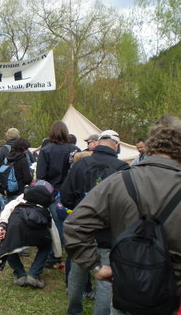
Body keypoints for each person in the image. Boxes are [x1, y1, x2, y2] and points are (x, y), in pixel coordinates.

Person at [64, 115, 181, 315]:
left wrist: (98, 267)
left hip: (127, 286)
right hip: (171, 293)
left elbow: (74, 224)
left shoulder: (120, 180)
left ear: (151, 145)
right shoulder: (120, 175)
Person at [61, 130, 129, 315]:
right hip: (109, 233)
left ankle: (74, 311)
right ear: (116, 145)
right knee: (106, 280)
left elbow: (66, 196)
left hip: (82, 231)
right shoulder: (123, 168)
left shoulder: (82, 163)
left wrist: (79, 210)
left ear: (98, 143)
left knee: (77, 274)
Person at [0, 180, 54, 288]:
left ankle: (20, 275)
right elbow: (52, 229)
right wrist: (58, 254)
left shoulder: (22, 197)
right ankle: (34, 275)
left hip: (16, 224)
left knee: (7, 246)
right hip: (38, 227)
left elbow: (8, 208)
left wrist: (2, 225)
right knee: (46, 246)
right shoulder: (46, 204)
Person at [36, 120, 77, 268]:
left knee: (56, 225)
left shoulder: (46, 150)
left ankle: (55, 256)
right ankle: (69, 251)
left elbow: (41, 175)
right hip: (71, 193)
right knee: (70, 223)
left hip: (53, 193)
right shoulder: (74, 149)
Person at [0, 138, 33, 203]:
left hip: (8, 191)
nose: (27, 151)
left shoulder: (7, 158)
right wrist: (31, 175)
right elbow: (27, 179)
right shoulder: (23, 160)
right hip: (19, 192)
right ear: (22, 149)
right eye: (26, 148)